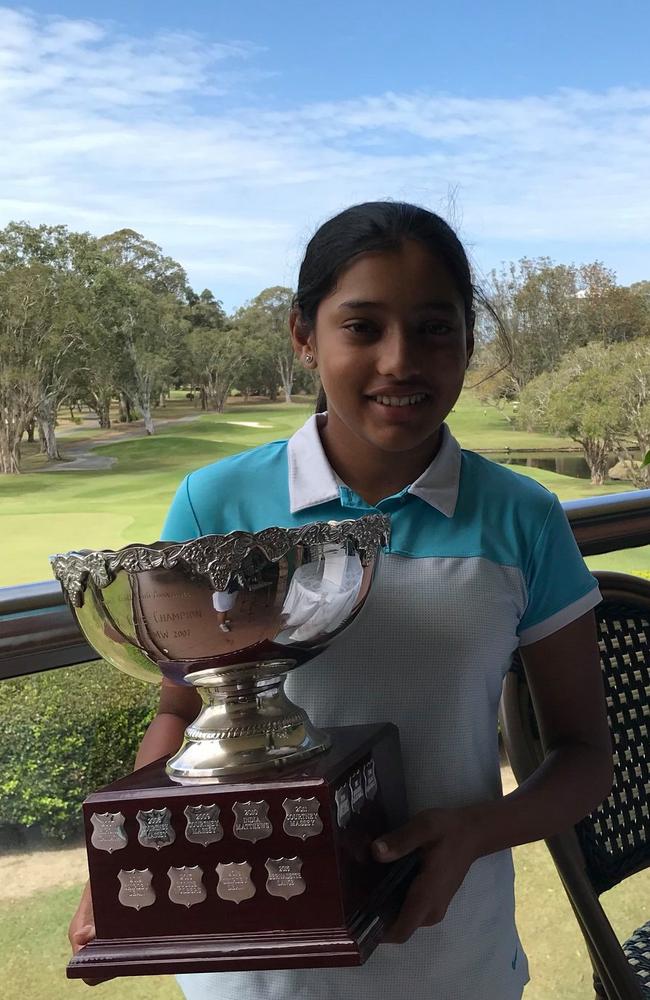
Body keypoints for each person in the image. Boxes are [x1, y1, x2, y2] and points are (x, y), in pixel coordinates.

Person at [68, 201, 612, 999]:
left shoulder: (521, 518)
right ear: (304, 335)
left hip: (453, 959)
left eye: (435, 328)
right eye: (362, 327)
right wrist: (122, 860)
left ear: (467, 339)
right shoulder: (213, 503)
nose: (401, 360)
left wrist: (475, 831)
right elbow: (184, 713)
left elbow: (584, 755)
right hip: (253, 971)